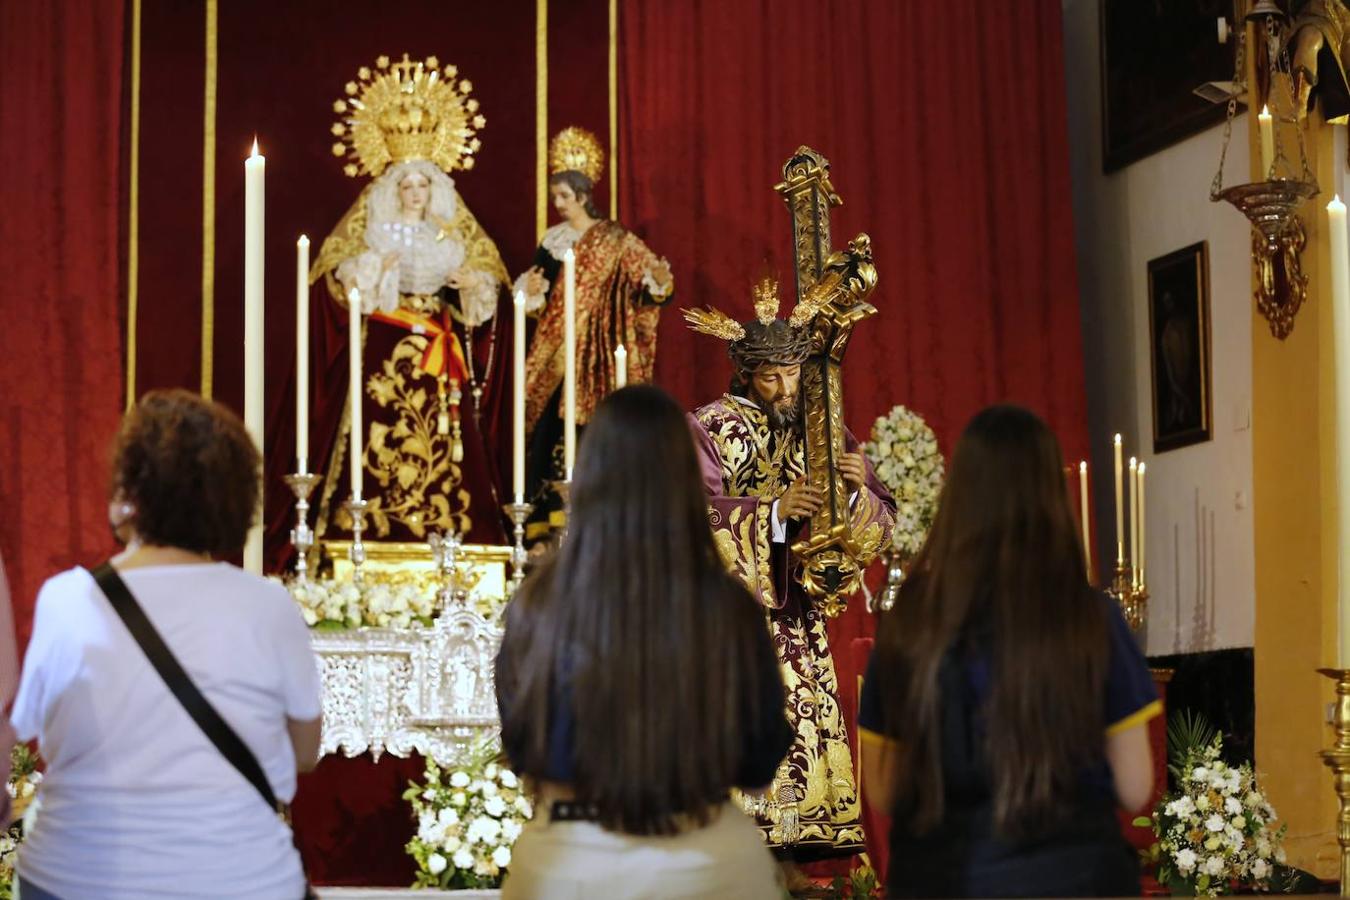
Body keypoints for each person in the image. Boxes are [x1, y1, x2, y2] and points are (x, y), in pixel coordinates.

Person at [11, 390, 322, 899]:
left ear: (126, 494)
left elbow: (42, 733)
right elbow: (304, 752)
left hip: (78, 877)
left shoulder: (67, 599)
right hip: (241, 879)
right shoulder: (269, 607)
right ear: (233, 497)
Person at [495, 385, 790, 899]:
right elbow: (760, 759)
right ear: (683, 479)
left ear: (588, 478)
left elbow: (522, 749)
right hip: (708, 858)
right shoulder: (728, 607)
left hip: (571, 863)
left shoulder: (538, 604)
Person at [859, 405, 1159, 898]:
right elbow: (1133, 786)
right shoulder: (1092, 617)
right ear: (1050, 495)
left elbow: (885, 792)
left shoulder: (911, 620)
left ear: (959, 495)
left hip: (942, 880)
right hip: (1077, 879)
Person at [684, 280, 896, 868]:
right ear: (746, 372)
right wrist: (774, 512)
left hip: (799, 619)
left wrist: (855, 490)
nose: (786, 389)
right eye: (772, 376)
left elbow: (881, 518)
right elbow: (695, 519)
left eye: (794, 375)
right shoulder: (707, 427)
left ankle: (794, 868)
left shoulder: (822, 428)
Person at [308, 56, 509, 545]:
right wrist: (379, 266)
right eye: (407, 185)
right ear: (392, 189)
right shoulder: (375, 229)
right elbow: (342, 276)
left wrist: (469, 282)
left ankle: (450, 531)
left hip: (437, 339)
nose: (416, 192)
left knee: (448, 434)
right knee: (381, 424)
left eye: (423, 184)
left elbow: (487, 282)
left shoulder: (448, 234)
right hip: (386, 336)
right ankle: (372, 529)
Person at [519, 126, 674, 541]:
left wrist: (658, 279)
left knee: (596, 425)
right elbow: (537, 290)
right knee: (552, 426)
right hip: (557, 349)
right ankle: (547, 522)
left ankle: (602, 513)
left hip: (601, 352)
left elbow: (649, 280)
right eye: (554, 197)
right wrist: (529, 291)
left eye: (564, 197)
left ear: (584, 195)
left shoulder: (616, 239)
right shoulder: (552, 241)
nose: (557, 205)